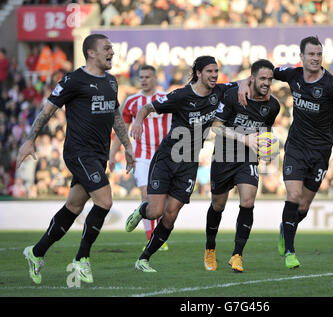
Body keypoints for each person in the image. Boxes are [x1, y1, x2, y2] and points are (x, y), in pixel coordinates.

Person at [17, 34, 136, 285]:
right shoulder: (73, 80)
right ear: (91, 53)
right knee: (104, 201)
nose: (112, 52)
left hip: (99, 154)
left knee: (73, 206)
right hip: (78, 152)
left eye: (112, 48)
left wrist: (126, 145)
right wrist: (30, 139)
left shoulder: (112, 82)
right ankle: (82, 258)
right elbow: (48, 110)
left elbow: (115, 116)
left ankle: (36, 253)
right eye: (107, 48)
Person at [239, 36, 333, 269]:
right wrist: (246, 82)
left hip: (320, 151)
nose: (315, 58)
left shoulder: (331, 84)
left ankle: (284, 229)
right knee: (293, 197)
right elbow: (264, 72)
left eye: (319, 54)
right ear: (302, 57)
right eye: (311, 54)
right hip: (295, 147)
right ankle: (290, 251)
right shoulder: (292, 74)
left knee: (303, 208)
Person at [123, 55, 240, 273]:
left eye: (216, 71)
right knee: (156, 211)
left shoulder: (220, 92)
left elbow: (244, 82)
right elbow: (147, 108)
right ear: (198, 73)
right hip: (168, 158)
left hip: (189, 164)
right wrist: (138, 121)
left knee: (171, 215)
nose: (214, 75)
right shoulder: (181, 95)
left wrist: (250, 84)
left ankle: (144, 259)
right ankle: (142, 210)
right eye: (209, 72)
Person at [204, 59, 280, 273]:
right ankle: (210, 247)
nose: (267, 83)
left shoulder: (273, 105)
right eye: (263, 78)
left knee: (248, 201)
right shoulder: (233, 96)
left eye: (270, 79)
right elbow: (216, 127)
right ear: (252, 78)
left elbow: (265, 132)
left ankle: (237, 255)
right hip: (223, 156)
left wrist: (267, 148)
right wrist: (245, 139)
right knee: (218, 205)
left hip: (247, 160)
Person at [109, 64, 171, 251]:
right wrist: (113, 153)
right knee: (147, 194)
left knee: (163, 201)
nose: (144, 80)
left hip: (164, 157)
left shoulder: (166, 99)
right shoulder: (131, 101)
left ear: (155, 79)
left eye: (147, 76)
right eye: (141, 77)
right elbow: (121, 130)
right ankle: (152, 239)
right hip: (142, 156)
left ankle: (154, 230)